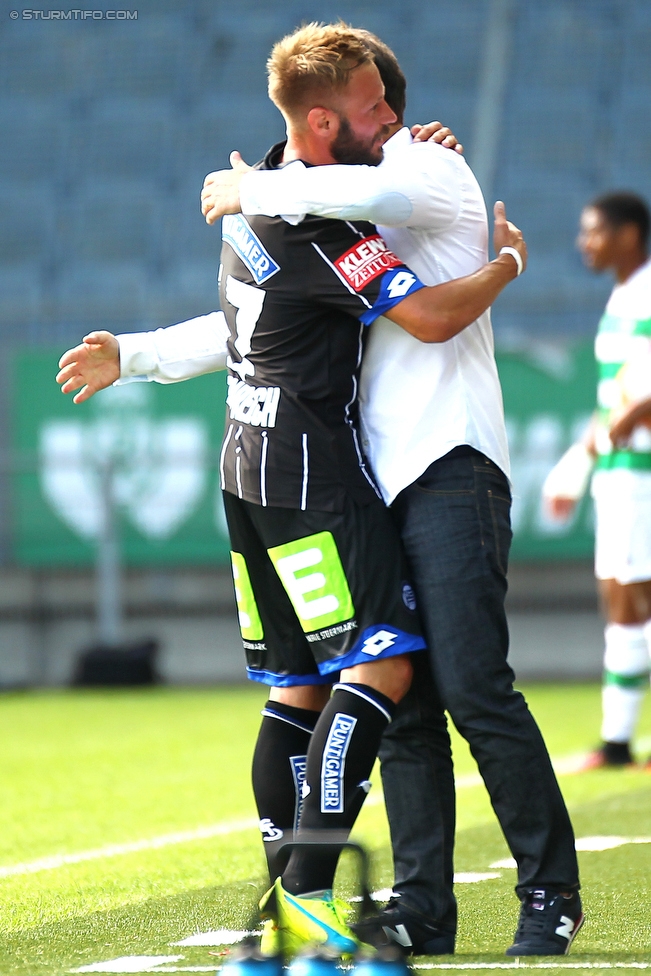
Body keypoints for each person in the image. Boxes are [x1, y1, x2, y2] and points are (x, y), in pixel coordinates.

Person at [55, 24, 575, 959]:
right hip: (359, 474)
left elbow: (401, 275)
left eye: (390, 101)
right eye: (374, 105)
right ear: (325, 118)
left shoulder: (418, 169)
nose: (399, 118)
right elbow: (252, 326)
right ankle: (420, 905)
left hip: (448, 465)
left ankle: (547, 896)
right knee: (399, 696)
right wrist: (134, 353)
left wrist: (502, 260)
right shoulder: (309, 216)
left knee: (469, 685)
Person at [544, 191, 651, 770]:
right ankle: (616, 740)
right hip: (619, 472)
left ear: (629, 234)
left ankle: (618, 740)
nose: (586, 243)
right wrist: (577, 464)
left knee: (635, 595)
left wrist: (617, 431)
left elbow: (641, 404)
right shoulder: (623, 299)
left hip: (642, 475)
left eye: (595, 232)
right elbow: (616, 402)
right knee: (622, 598)